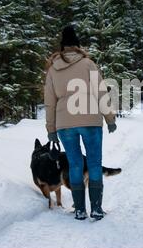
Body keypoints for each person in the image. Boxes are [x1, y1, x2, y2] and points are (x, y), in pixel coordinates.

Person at [44, 25, 117, 221]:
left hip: (64, 124)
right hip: (90, 121)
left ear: (62, 47)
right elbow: (101, 92)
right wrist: (109, 117)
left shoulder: (53, 69)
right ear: (77, 45)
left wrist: (51, 129)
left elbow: (49, 101)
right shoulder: (88, 64)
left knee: (75, 164)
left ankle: (79, 210)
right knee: (94, 163)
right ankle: (96, 209)